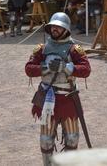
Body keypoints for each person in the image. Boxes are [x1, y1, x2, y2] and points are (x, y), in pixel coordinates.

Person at [25, 12, 91, 166]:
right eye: (53, 26)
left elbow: (86, 69)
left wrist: (67, 67)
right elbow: (29, 69)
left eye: (58, 27)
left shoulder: (74, 49)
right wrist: (45, 68)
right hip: (48, 99)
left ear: (65, 29)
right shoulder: (42, 49)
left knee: (72, 138)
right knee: (46, 140)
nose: (55, 29)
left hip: (68, 98)